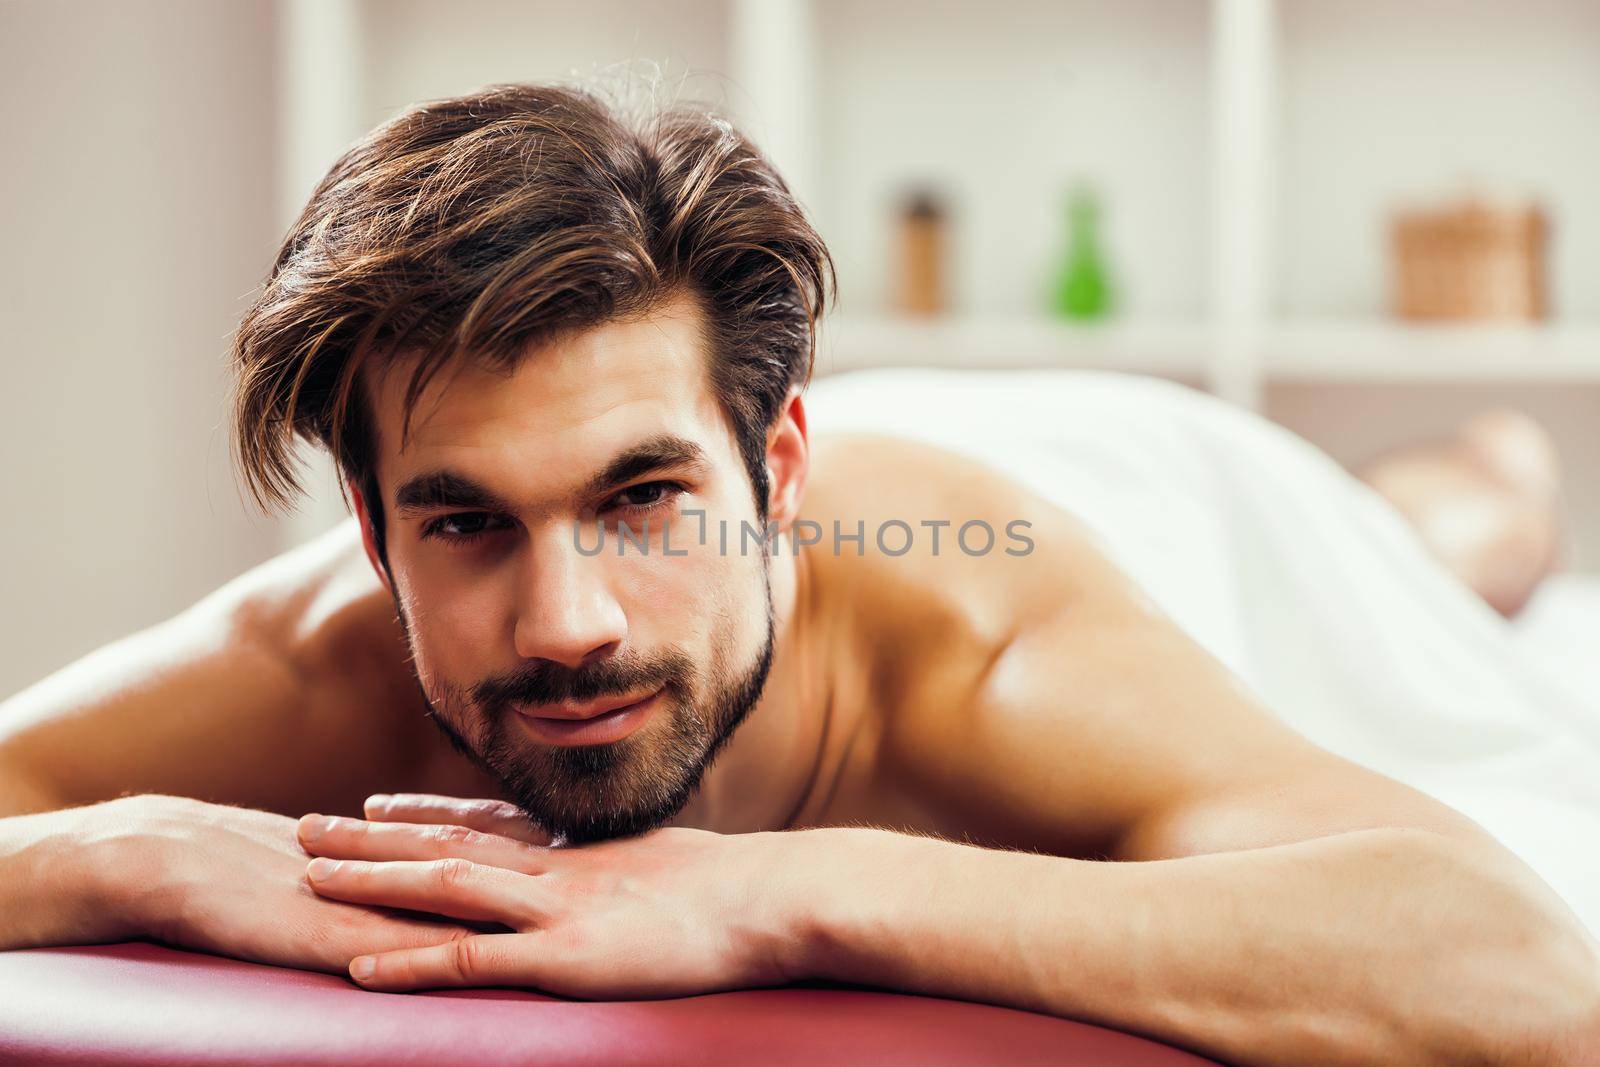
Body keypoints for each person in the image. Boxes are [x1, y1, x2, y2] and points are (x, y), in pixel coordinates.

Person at [0, 83, 1595, 1067]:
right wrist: (130, 852)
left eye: (641, 503)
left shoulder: (985, 649)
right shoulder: (311, 658)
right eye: (468, 524)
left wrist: (780, 892)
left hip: (1178, 502)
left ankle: (1483, 494)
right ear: (370, 531)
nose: (564, 625)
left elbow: (1522, 974)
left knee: (1447, 580)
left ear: (771, 480)